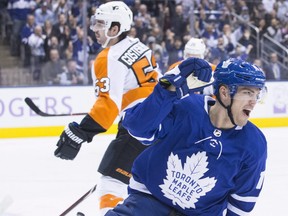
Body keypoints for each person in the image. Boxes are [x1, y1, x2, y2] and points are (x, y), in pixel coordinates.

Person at [106, 57, 267, 215]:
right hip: (147, 203)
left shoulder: (254, 144)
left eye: (257, 94)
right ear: (224, 92)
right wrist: (167, 88)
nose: (254, 101)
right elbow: (138, 128)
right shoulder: (187, 106)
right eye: (247, 93)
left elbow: (241, 203)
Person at [53, 1, 161, 215]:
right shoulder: (140, 46)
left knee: (112, 179)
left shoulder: (108, 57)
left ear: (115, 29)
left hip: (141, 124)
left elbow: (108, 105)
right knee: (144, 185)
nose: (94, 29)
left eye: (101, 24)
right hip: (167, 121)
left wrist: (81, 132)